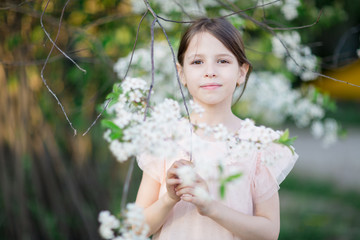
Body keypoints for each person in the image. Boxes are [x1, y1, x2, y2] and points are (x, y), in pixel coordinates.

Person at [135, 17, 298, 240]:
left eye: (222, 61)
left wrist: (211, 207)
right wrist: (168, 199)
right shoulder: (164, 137)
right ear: (181, 73)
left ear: (241, 72)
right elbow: (136, 227)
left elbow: (269, 232)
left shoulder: (258, 144)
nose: (210, 71)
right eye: (197, 62)